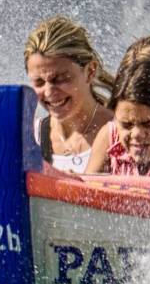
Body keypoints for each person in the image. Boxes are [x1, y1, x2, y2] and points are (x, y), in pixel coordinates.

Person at [24, 17, 116, 174]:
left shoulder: (125, 134)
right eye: (39, 82)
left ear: (90, 71)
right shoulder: (29, 138)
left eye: (60, 79)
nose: (48, 92)